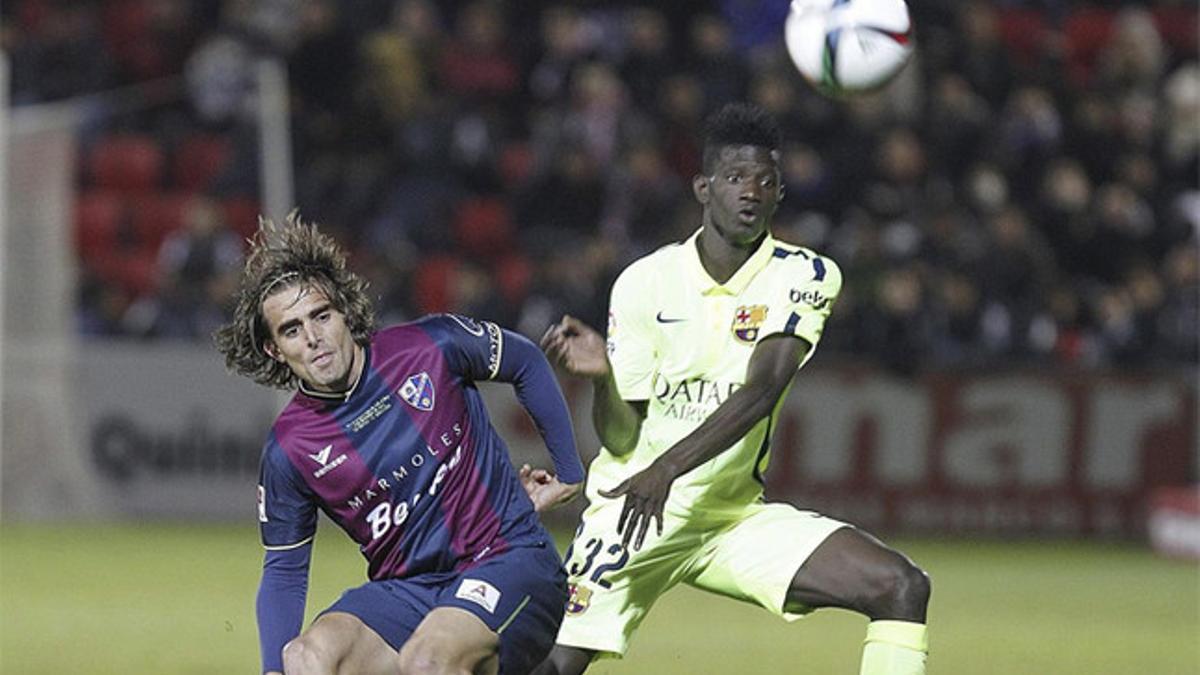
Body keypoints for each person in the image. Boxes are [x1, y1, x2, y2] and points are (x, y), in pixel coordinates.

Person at [536, 103, 931, 675]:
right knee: (550, 666)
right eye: (735, 178)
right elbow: (622, 438)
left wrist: (668, 468)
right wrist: (604, 381)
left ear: (779, 195)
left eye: (765, 181)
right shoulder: (645, 281)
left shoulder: (804, 274)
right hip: (633, 513)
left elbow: (763, 389)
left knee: (901, 587)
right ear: (703, 188)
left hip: (730, 516)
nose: (750, 191)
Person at [214, 214, 585, 675]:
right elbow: (285, 571)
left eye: (321, 316)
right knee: (302, 659)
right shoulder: (291, 448)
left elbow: (525, 360)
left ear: (345, 313)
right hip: (409, 593)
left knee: (428, 660)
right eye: (291, 329)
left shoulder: (428, 347)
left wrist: (570, 472)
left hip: (505, 561)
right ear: (275, 349)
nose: (313, 338)